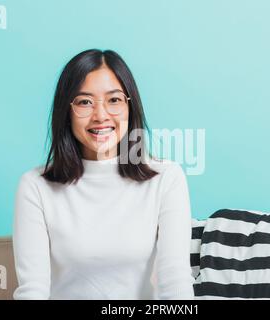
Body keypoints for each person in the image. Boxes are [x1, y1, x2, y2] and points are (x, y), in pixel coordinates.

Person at [12, 49, 195, 299]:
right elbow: (32, 291)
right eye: (85, 102)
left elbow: (175, 285)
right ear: (66, 111)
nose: (100, 116)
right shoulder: (35, 186)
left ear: (130, 106)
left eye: (114, 100)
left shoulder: (166, 178)